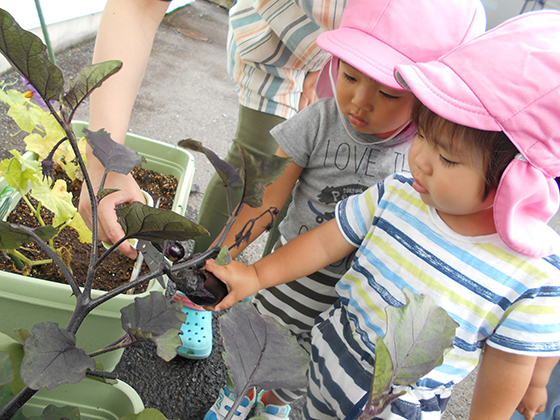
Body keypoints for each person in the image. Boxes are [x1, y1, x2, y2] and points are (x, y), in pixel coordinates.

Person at [205, 10, 560, 420]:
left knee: (290, 375)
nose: (420, 161)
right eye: (423, 135)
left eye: (445, 157)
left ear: (515, 181)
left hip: (393, 401)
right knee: (272, 352)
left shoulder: (532, 275)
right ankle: (249, 396)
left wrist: (533, 383)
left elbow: (517, 356)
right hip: (315, 342)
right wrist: (246, 269)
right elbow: (319, 233)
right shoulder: (399, 191)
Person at [76, 0, 346, 358]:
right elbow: (139, 6)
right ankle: (200, 285)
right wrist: (104, 161)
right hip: (277, 37)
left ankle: (271, 306)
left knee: (319, 193)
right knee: (259, 165)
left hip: (366, 65)